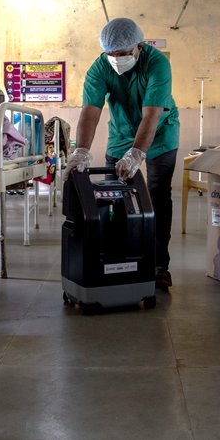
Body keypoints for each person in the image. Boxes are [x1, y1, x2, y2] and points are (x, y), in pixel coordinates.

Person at [64, 17, 179, 290]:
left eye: (123, 54)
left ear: (138, 46)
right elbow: (90, 112)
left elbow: (151, 115)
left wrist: (137, 153)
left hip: (160, 134)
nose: (116, 59)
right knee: (113, 197)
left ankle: (159, 264)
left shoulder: (157, 64)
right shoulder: (99, 67)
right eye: (111, 54)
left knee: (157, 195)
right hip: (120, 134)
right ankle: (114, 257)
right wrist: (81, 150)